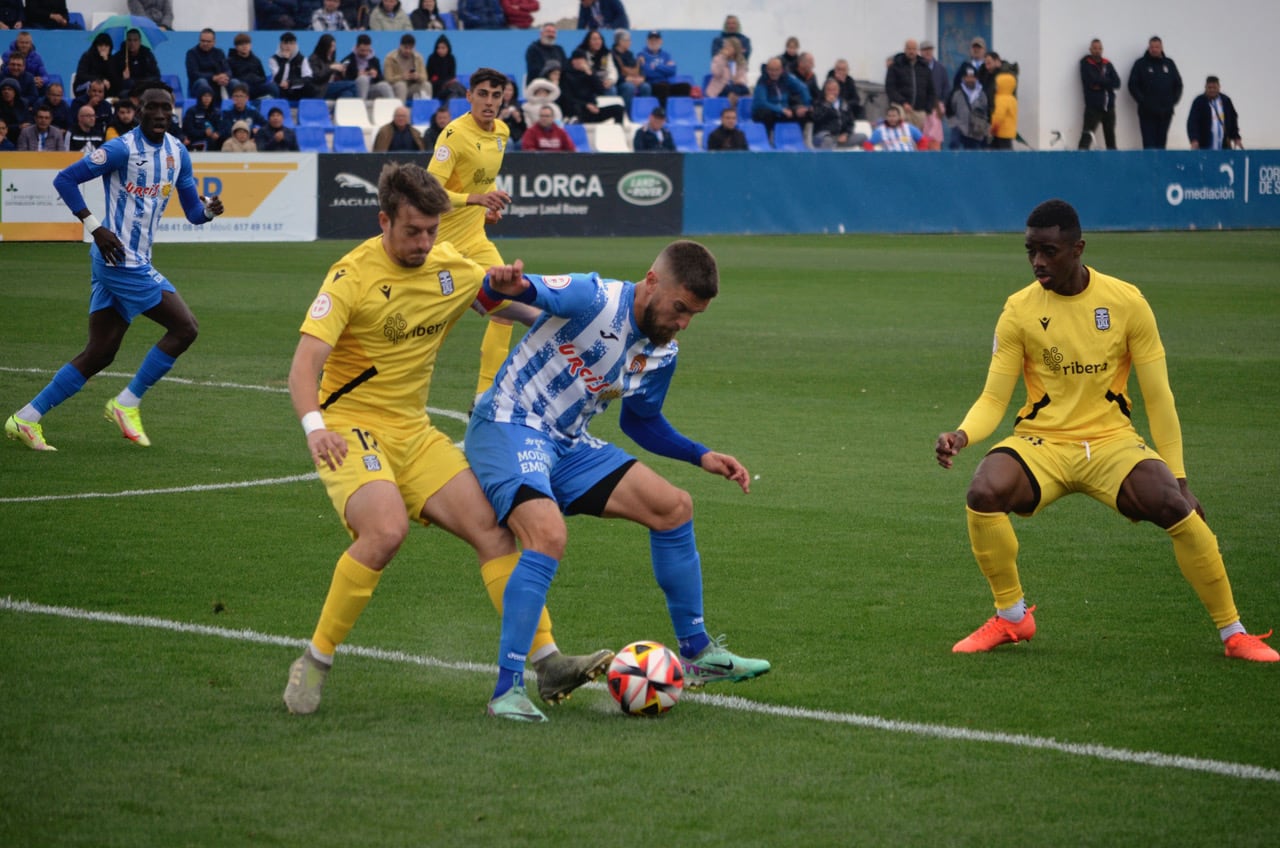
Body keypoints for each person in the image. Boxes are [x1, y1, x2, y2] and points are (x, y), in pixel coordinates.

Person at [282, 162, 611, 715]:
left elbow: (512, 308)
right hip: (350, 427)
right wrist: (315, 429)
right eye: (412, 231)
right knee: (385, 532)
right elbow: (303, 366)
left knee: (495, 530)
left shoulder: (448, 266)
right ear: (383, 220)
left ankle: (548, 661)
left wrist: (558, 317)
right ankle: (314, 660)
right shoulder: (351, 275)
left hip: (413, 431)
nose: (424, 242)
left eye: (432, 231)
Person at [935, 198, 1278, 664]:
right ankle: (1012, 617)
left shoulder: (1126, 302)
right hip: (1043, 442)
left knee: (1178, 510)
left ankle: (1235, 634)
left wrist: (1179, 476)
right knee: (984, 490)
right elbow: (994, 398)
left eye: (1049, 251)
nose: (1038, 262)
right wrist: (962, 435)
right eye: (1030, 251)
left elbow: (1158, 396)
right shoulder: (1018, 310)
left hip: (1113, 441)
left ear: (1078, 249)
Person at [466, 240, 772, 722]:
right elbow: (506, 293)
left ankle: (697, 653)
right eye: (680, 308)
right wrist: (503, 284)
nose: (683, 322)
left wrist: (701, 455)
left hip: (567, 442)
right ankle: (508, 690)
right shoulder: (592, 297)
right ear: (652, 281)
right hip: (508, 423)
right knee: (547, 534)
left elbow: (640, 423)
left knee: (674, 507)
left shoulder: (662, 352)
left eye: (694, 314)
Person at [6, 83, 224, 454]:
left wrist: (208, 211)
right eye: (151, 108)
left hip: (133, 259)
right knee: (185, 328)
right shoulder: (122, 148)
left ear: (173, 113)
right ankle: (127, 403)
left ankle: (25, 417)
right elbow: (65, 179)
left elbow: (191, 212)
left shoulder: (177, 153)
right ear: (139, 112)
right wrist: (95, 227)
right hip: (120, 260)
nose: (159, 115)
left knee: (101, 352)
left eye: (165, 109)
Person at [1128, 35, 1182, 150]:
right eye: (1152, 47)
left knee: (1161, 144)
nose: (1154, 49)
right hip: (1147, 112)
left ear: (1161, 48)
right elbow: (1132, 85)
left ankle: (1160, 167)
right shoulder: (1140, 64)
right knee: (1149, 144)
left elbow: (1178, 84)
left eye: (1157, 47)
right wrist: (1143, 101)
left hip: (1165, 112)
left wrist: (1173, 101)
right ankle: (1148, 167)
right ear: (1149, 48)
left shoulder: (1169, 63)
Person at [751, 56, 810, 141]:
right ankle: (768, 140)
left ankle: (796, 140)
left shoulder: (786, 78)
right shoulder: (762, 81)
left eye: (776, 70)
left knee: (802, 113)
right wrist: (780, 109)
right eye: (771, 70)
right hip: (764, 111)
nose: (774, 73)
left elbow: (802, 88)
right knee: (767, 114)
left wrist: (806, 106)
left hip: (782, 110)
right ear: (767, 69)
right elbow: (761, 102)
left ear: (781, 69)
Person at [559, 49, 624, 124]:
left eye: (582, 60)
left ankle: (617, 132)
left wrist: (590, 75)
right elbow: (567, 98)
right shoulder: (566, 75)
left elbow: (601, 90)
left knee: (618, 109)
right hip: (577, 110)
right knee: (576, 108)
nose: (580, 63)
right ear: (572, 62)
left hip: (592, 110)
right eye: (577, 60)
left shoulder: (589, 74)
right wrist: (586, 105)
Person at [1078, 39, 1121, 150]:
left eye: (1099, 48)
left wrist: (1101, 83)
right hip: (1093, 107)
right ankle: (1079, 161)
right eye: (1095, 48)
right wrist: (1107, 82)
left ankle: (1112, 162)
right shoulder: (1086, 64)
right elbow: (1091, 81)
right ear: (1090, 49)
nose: (1097, 51)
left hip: (1109, 107)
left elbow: (1117, 82)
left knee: (1111, 138)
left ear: (1102, 50)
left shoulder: (1107, 64)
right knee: (1086, 137)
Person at [885, 38, 936, 131]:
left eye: (913, 49)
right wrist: (903, 102)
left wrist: (928, 109)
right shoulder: (895, 66)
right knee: (902, 135)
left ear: (917, 50)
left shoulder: (924, 68)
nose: (911, 51)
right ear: (905, 49)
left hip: (919, 111)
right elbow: (890, 88)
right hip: (901, 109)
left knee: (917, 140)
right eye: (909, 49)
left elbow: (931, 90)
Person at [1186, 76, 1242, 150]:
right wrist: (1194, 139)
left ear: (1219, 87)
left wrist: (1236, 137)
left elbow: (1233, 120)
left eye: (1214, 87)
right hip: (1204, 146)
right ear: (1205, 87)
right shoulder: (1199, 101)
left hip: (1224, 147)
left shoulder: (1226, 101)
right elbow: (1192, 122)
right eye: (1209, 87)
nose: (1212, 90)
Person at [637, 31, 691, 106]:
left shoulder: (666, 55)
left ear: (661, 41)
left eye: (656, 40)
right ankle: (662, 113)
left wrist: (656, 66)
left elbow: (672, 71)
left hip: (666, 84)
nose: (654, 42)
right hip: (652, 84)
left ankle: (680, 112)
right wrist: (664, 68)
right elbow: (647, 72)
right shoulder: (641, 55)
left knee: (685, 86)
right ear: (647, 41)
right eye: (651, 40)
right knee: (663, 87)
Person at [110, 28, 161, 100]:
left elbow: (156, 76)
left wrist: (137, 83)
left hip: (145, 89)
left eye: (135, 40)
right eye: (129, 40)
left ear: (140, 41)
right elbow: (113, 80)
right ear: (126, 41)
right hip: (127, 92)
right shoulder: (118, 57)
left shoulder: (147, 55)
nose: (132, 43)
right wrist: (123, 79)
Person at [342, 33, 395, 101]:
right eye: (362, 50)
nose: (365, 53)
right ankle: (361, 104)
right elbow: (342, 77)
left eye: (367, 50)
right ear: (356, 47)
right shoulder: (348, 60)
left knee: (384, 85)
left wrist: (376, 75)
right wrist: (356, 75)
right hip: (355, 88)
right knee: (363, 79)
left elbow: (381, 79)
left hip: (371, 87)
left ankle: (394, 107)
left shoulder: (375, 60)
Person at [228, 32, 281, 100]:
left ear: (250, 45)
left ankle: (273, 106)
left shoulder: (256, 60)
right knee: (235, 82)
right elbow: (230, 78)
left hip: (256, 86)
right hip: (242, 87)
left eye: (247, 43)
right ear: (236, 47)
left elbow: (263, 77)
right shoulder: (230, 61)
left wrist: (258, 80)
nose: (244, 46)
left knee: (273, 86)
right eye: (241, 44)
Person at [947, 64, 989, 150]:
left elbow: (986, 110)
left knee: (973, 154)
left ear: (976, 78)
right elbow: (949, 109)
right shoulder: (957, 92)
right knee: (954, 147)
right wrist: (955, 123)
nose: (970, 80)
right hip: (959, 128)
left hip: (976, 131)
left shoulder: (982, 94)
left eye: (972, 77)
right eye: (967, 77)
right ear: (963, 78)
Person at [186, 29, 231, 105]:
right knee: (202, 82)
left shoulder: (219, 52)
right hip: (198, 86)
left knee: (235, 83)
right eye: (203, 41)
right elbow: (193, 74)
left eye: (208, 41)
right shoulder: (192, 53)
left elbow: (228, 69)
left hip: (218, 85)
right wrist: (213, 78)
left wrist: (225, 76)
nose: (205, 43)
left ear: (214, 42)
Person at [811, 77, 859, 149]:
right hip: (823, 136)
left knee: (863, 137)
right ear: (824, 91)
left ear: (838, 90)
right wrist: (827, 105)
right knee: (828, 140)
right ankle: (828, 159)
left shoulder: (844, 104)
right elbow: (816, 119)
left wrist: (846, 134)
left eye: (834, 90)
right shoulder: (818, 103)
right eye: (829, 90)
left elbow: (851, 123)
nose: (832, 92)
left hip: (841, 136)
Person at [307, 33, 359, 101]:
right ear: (324, 46)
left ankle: (339, 111)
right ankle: (359, 105)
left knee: (347, 93)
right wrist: (331, 67)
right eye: (331, 46)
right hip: (320, 88)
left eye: (334, 46)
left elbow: (337, 78)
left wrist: (342, 73)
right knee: (353, 84)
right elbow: (316, 76)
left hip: (331, 86)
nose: (333, 49)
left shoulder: (331, 59)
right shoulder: (313, 59)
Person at [608, 29, 649, 113]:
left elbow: (639, 69)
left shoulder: (630, 55)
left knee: (646, 86)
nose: (630, 42)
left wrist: (641, 78)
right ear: (619, 41)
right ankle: (626, 114)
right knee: (629, 87)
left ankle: (642, 113)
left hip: (633, 81)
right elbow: (613, 73)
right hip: (619, 83)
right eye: (627, 40)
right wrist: (626, 79)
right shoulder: (611, 55)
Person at [269, 31, 316, 102]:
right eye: (285, 43)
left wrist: (291, 83)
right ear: (280, 45)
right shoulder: (274, 59)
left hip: (296, 88)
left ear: (295, 45)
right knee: (274, 87)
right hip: (281, 89)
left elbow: (308, 78)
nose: (288, 46)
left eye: (291, 43)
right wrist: (285, 61)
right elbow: (278, 80)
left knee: (311, 87)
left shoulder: (302, 59)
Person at [385, 33, 430, 103]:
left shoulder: (418, 57)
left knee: (427, 85)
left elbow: (425, 77)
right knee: (401, 85)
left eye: (411, 48)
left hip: (411, 88)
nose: (408, 51)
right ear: (400, 46)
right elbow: (388, 79)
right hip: (395, 87)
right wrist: (402, 77)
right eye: (405, 48)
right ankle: (401, 111)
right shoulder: (390, 58)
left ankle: (426, 110)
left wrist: (417, 76)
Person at [706, 35, 749, 99]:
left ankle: (745, 107)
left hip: (735, 86)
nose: (727, 48)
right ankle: (732, 107)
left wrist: (740, 81)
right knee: (732, 91)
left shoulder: (740, 61)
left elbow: (743, 76)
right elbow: (717, 74)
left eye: (730, 46)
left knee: (745, 90)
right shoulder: (718, 58)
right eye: (726, 46)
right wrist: (723, 57)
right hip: (719, 88)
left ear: (736, 49)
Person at [425, 34, 466, 102]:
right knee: (456, 86)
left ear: (448, 48)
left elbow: (452, 76)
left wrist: (448, 82)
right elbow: (430, 78)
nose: (440, 50)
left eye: (443, 48)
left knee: (454, 94)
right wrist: (445, 82)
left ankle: (445, 109)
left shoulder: (451, 58)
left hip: (450, 88)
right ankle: (469, 95)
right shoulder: (432, 58)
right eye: (438, 48)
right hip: (437, 89)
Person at [576, 28, 616, 95]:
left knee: (612, 89)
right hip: (588, 83)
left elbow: (612, 70)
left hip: (603, 82)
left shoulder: (606, 54)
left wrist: (610, 80)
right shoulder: (581, 53)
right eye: (594, 39)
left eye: (599, 39)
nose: (597, 42)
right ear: (588, 41)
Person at [180, 85, 220, 150]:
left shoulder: (216, 112)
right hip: (195, 140)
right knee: (209, 143)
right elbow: (188, 130)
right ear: (200, 97)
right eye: (205, 96)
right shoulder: (191, 111)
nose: (207, 98)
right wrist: (204, 133)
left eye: (209, 96)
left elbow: (220, 127)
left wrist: (217, 133)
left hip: (212, 139)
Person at [77, 33, 116, 97]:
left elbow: (113, 79)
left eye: (106, 46)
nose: (103, 48)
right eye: (100, 45)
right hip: (86, 86)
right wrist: (100, 80)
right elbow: (81, 75)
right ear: (96, 46)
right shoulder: (87, 56)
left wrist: (106, 62)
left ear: (110, 47)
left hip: (105, 90)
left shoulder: (111, 59)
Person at [989, 69, 1017, 150]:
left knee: (998, 156)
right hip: (1009, 132)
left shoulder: (1001, 99)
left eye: (997, 84)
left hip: (1000, 132)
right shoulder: (1012, 99)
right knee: (1008, 152)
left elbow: (999, 116)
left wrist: (993, 129)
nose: (995, 86)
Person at [497, 77, 526, 149]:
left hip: (516, 134)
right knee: (508, 143)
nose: (507, 92)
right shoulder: (495, 105)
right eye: (505, 90)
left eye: (510, 90)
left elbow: (524, 127)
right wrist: (501, 116)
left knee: (522, 142)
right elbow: (491, 126)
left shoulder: (518, 106)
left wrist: (518, 118)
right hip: (498, 135)